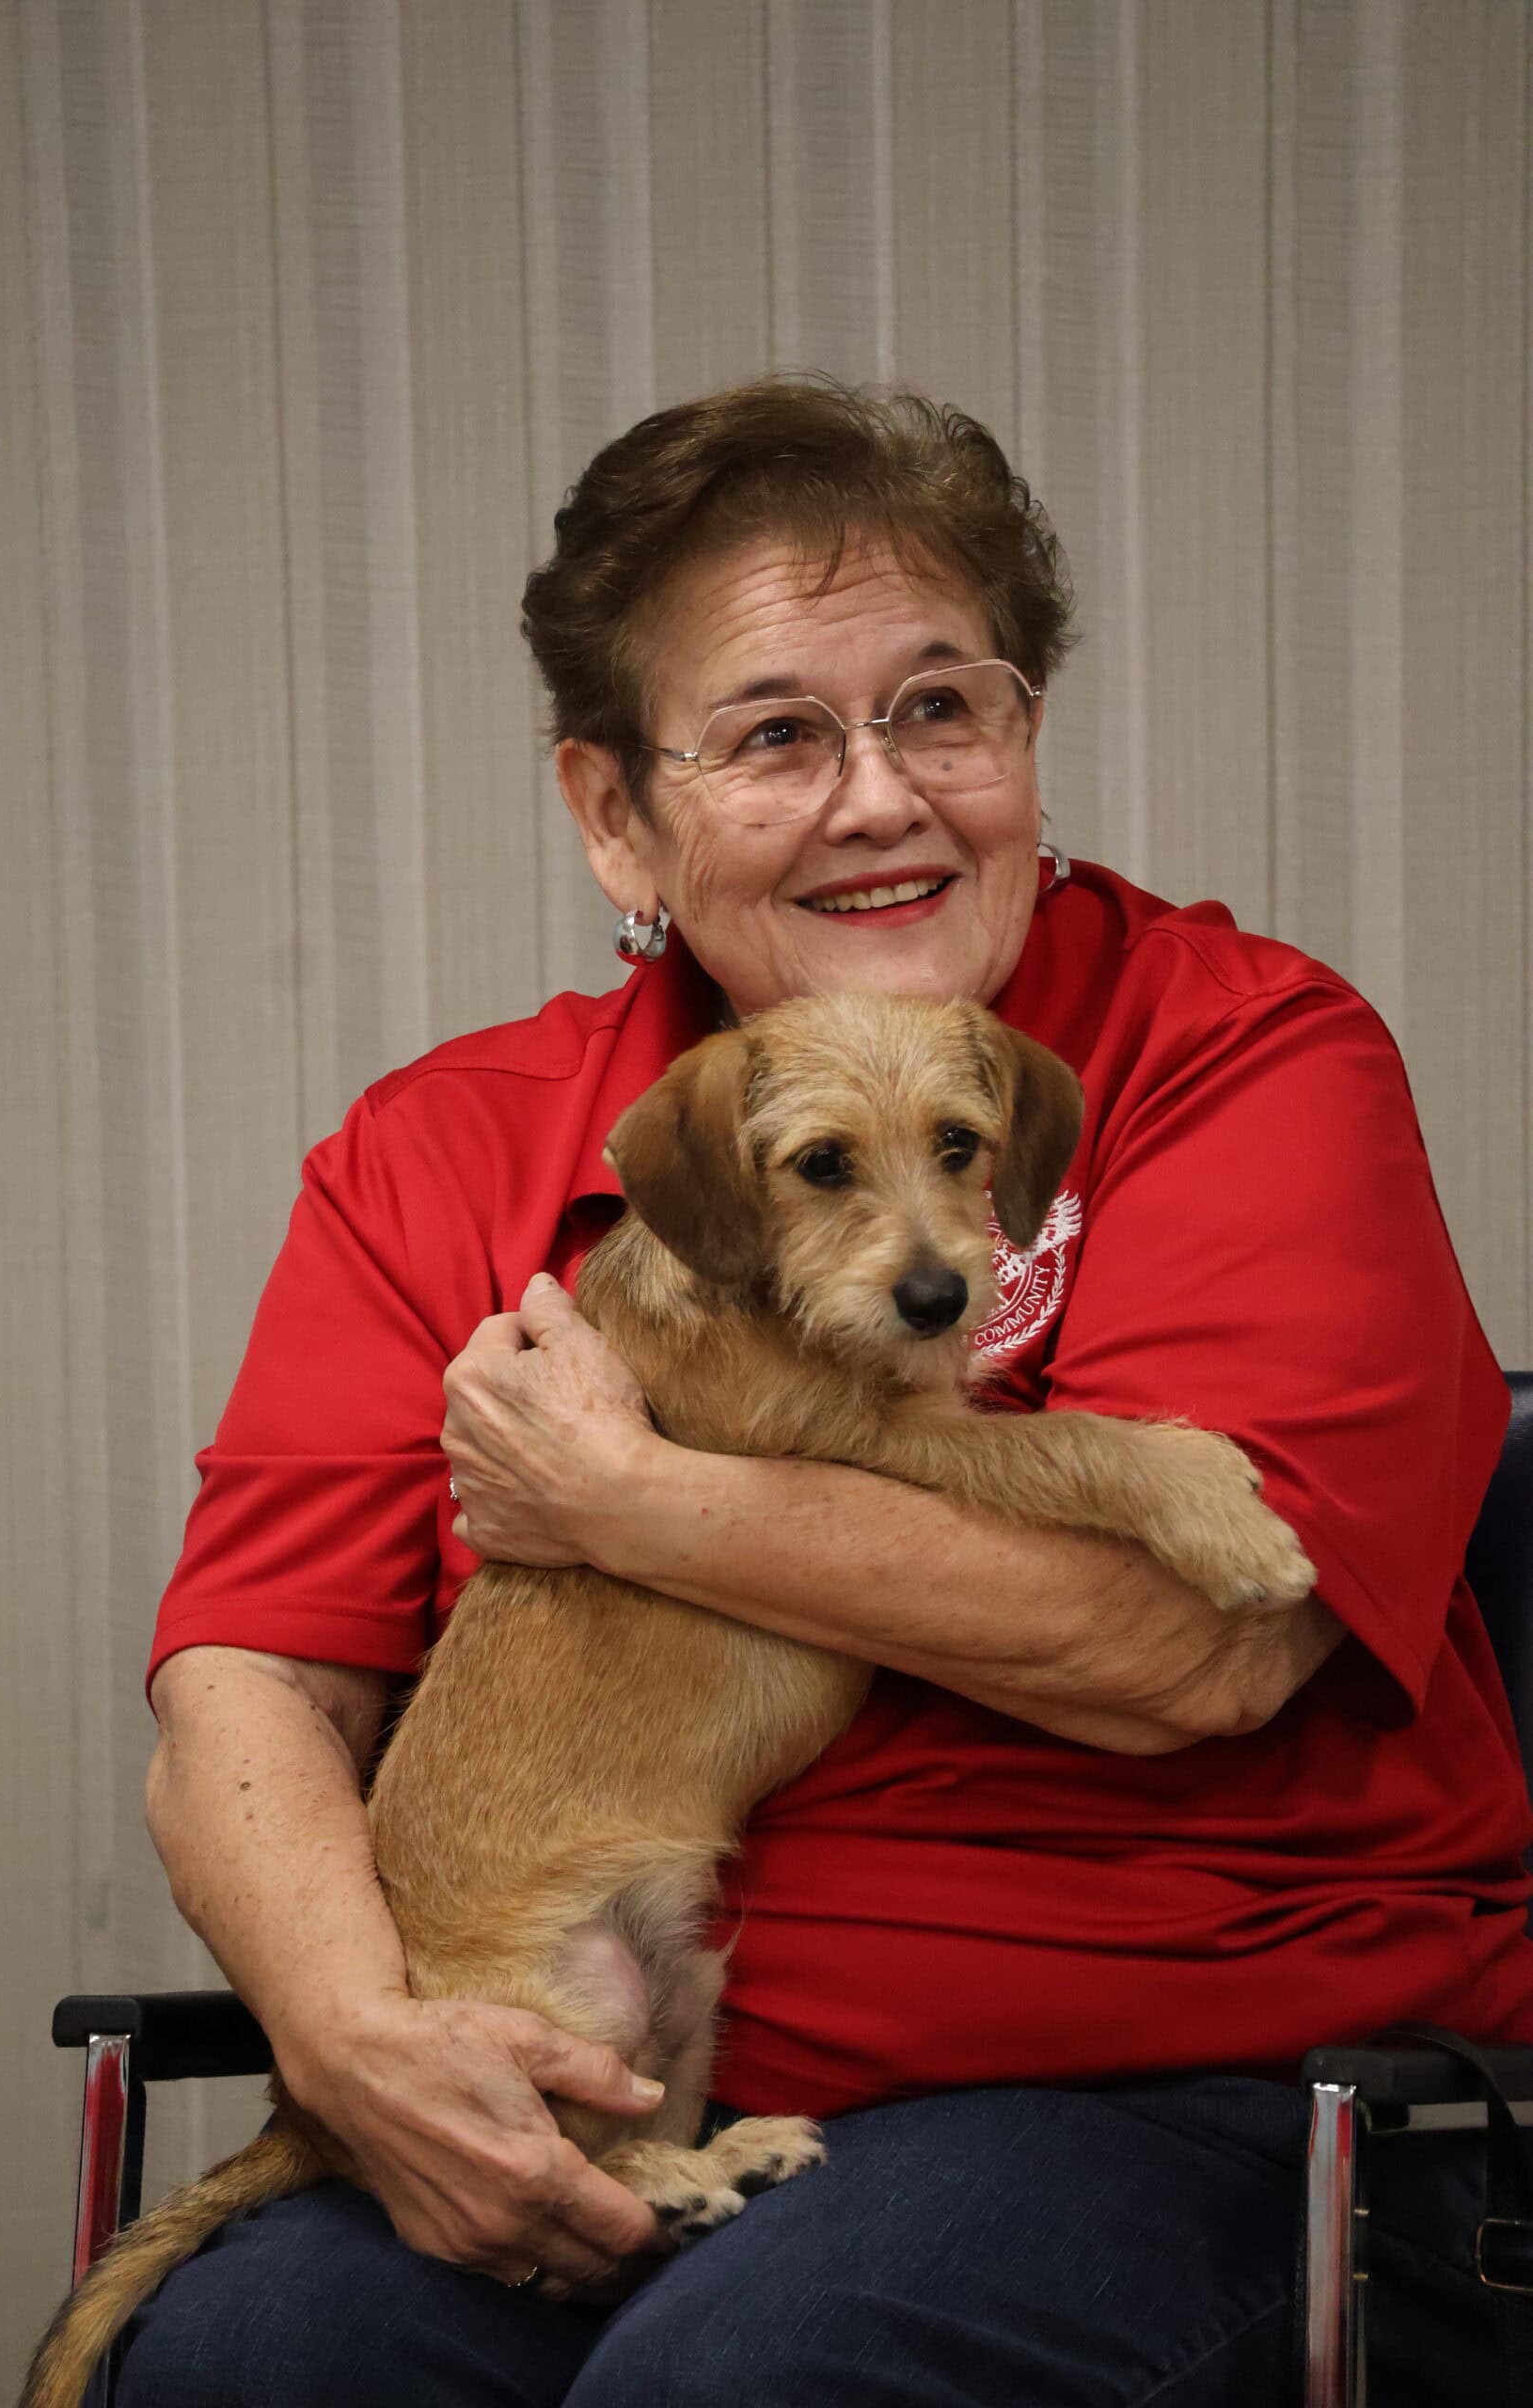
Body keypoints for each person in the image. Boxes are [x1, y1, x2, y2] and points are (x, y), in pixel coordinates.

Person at [111, 378, 1532, 2406]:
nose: (879, 798)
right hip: (607, 2071)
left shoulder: (1237, 1052)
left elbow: (1193, 1642)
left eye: (941, 707)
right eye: (776, 733)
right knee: (253, 2356)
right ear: (614, 811)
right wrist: (356, 2038)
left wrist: (633, 1500)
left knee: (754, 2372)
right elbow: (247, 1688)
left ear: (1026, 736)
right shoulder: (441, 1149)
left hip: (1163, 2080)